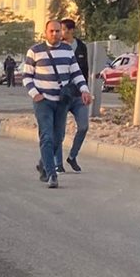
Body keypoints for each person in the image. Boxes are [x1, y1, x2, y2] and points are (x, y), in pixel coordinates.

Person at [22, 18, 91, 189]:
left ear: (62, 32)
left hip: (62, 101)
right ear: (45, 33)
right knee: (47, 136)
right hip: (43, 101)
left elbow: (76, 73)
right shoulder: (35, 51)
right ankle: (52, 175)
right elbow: (27, 76)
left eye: (57, 31)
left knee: (58, 137)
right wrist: (35, 94)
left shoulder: (68, 51)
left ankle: (43, 163)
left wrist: (84, 90)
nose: (54, 34)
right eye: (51, 31)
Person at [57, 17, 90, 172]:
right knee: (59, 131)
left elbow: (85, 71)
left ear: (71, 30)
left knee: (83, 127)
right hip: (62, 95)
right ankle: (57, 163)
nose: (60, 33)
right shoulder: (57, 47)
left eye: (63, 30)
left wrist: (85, 90)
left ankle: (72, 156)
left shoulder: (81, 47)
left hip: (78, 95)